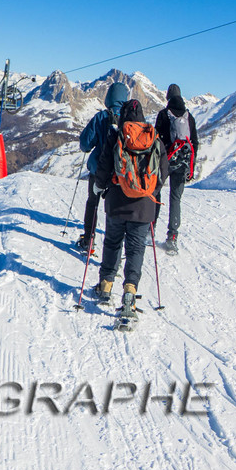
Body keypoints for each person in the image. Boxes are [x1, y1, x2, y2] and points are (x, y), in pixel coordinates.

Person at [90, 99, 168, 315]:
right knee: (135, 249)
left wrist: (99, 187)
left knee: (112, 242)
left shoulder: (116, 136)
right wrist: (151, 191)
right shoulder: (154, 138)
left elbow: (104, 166)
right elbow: (163, 171)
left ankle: (105, 285)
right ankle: (130, 292)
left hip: (116, 201)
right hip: (143, 207)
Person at [76, 81, 130, 252]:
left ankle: (88, 240)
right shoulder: (130, 118)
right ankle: (115, 249)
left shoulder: (101, 117)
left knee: (93, 202)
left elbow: (85, 144)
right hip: (120, 173)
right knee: (115, 210)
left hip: (98, 169)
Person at [154, 84, 199, 253]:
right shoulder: (189, 117)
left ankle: (150, 230)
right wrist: (191, 166)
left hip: (165, 161)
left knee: (155, 193)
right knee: (175, 199)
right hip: (183, 163)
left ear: (168, 97)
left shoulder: (164, 114)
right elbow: (195, 142)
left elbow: (156, 139)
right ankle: (172, 237)